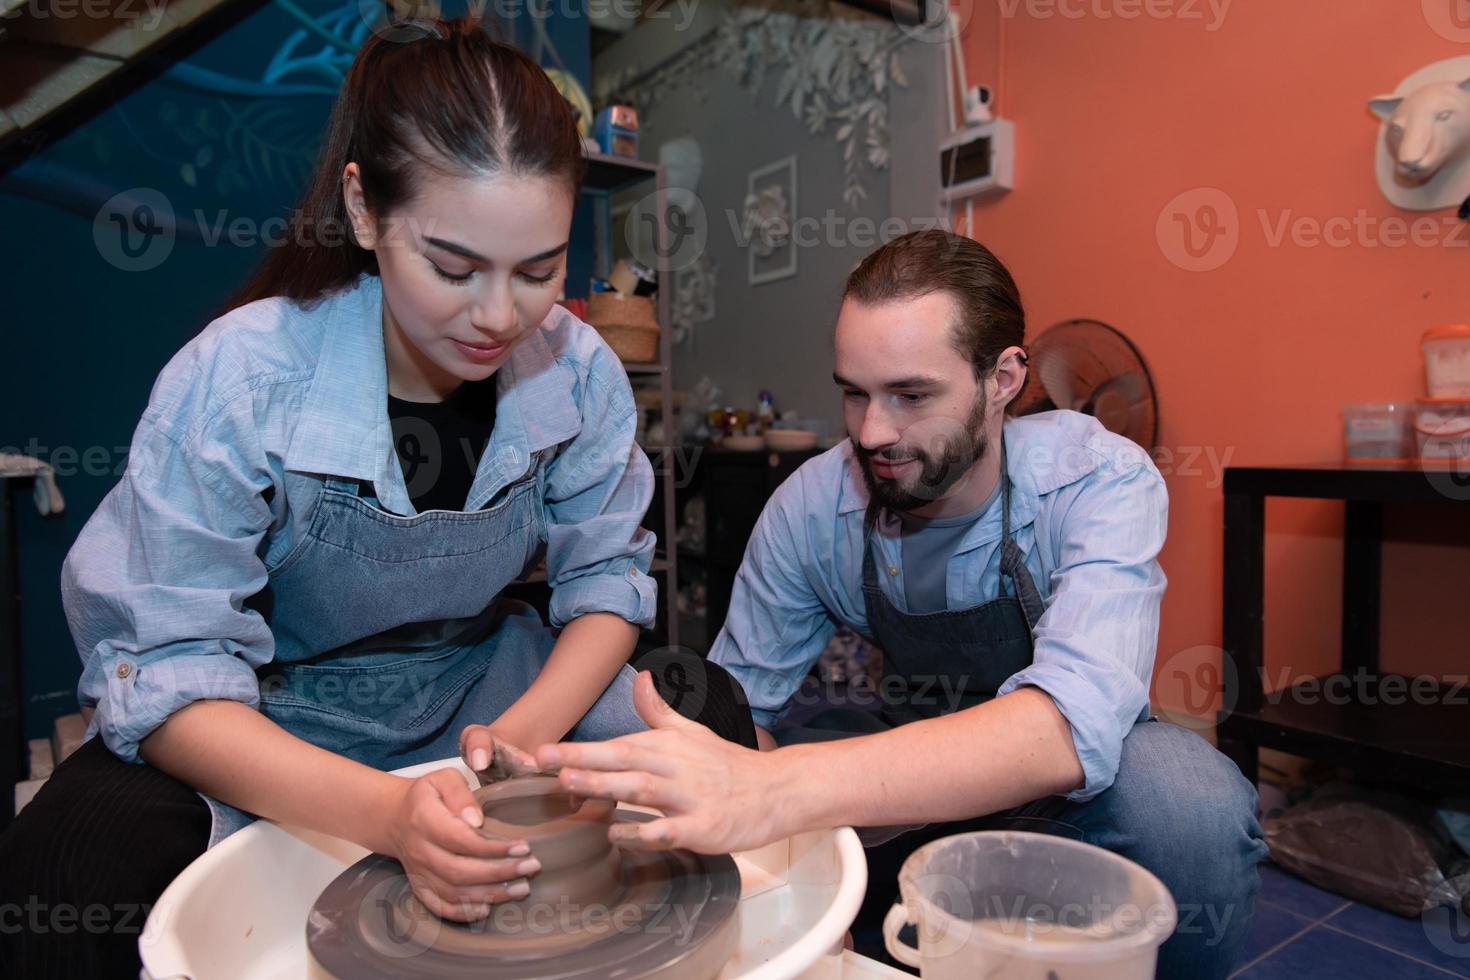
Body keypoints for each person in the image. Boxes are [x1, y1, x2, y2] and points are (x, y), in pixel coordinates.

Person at [0, 18, 752, 977]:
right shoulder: (241, 377)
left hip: (481, 689)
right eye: (453, 266)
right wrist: (389, 813)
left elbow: (605, 587)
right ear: (363, 209)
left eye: (538, 270)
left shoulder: (579, 369)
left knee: (706, 715)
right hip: (275, 709)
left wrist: (507, 750)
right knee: (57, 877)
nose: (498, 316)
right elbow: (170, 675)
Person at [538, 231, 1268, 979]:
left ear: (1003, 379)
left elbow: (1066, 731)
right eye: (854, 392)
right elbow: (738, 717)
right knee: (645, 713)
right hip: (906, 787)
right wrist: (785, 884)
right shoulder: (811, 507)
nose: (871, 432)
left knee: (1188, 806)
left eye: (912, 396)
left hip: (1070, 809)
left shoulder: (1097, 480)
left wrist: (777, 792)